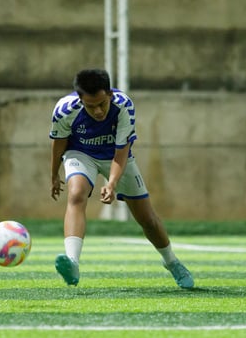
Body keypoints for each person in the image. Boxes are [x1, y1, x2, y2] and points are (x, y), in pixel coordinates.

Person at [49, 68, 194, 289]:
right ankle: (72, 263)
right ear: (80, 98)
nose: (98, 111)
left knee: (147, 218)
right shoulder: (64, 110)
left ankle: (172, 262)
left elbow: (121, 151)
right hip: (81, 154)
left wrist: (112, 183)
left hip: (114, 156)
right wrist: (54, 174)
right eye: (91, 106)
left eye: (102, 104)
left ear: (109, 94)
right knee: (76, 194)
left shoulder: (124, 106)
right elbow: (59, 142)